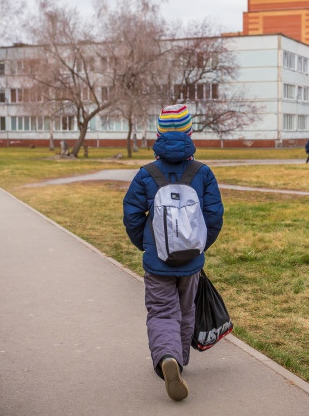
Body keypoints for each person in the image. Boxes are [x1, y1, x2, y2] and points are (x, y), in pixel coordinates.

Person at [123, 104, 224, 402]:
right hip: (191, 261)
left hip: (158, 262)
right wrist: (200, 246)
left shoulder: (146, 174)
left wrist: (146, 243)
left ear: (158, 134)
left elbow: (131, 214)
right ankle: (179, 357)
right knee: (185, 310)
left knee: (161, 310)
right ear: (190, 133)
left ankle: (167, 359)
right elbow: (214, 217)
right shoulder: (202, 173)